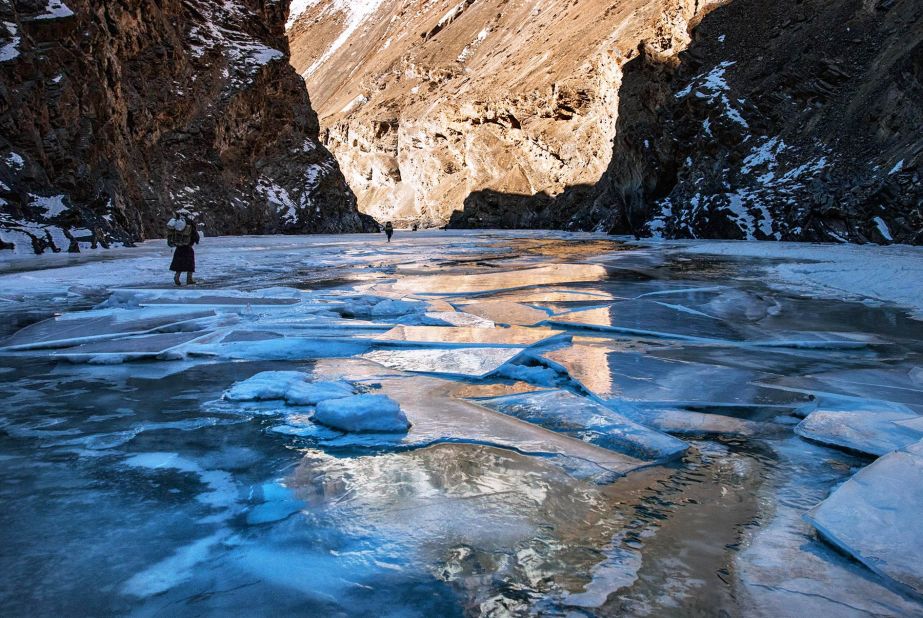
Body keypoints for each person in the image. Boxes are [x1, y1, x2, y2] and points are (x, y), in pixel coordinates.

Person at [166, 209, 200, 286]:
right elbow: (195, 234)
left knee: (179, 263)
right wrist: (196, 240)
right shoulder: (189, 222)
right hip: (188, 246)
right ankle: (189, 279)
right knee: (190, 263)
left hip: (179, 247)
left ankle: (177, 276)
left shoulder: (176, 223)